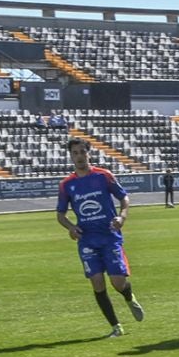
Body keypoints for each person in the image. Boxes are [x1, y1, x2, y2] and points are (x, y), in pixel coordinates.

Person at [57, 137, 145, 338]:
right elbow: (60, 215)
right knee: (97, 282)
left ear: (89, 153)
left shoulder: (103, 176)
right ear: (71, 156)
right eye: (75, 153)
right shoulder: (66, 185)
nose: (79, 156)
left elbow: (123, 198)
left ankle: (129, 297)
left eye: (82, 152)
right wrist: (71, 228)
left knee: (118, 282)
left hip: (109, 237)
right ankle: (116, 326)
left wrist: (122, 216)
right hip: (87, 240)